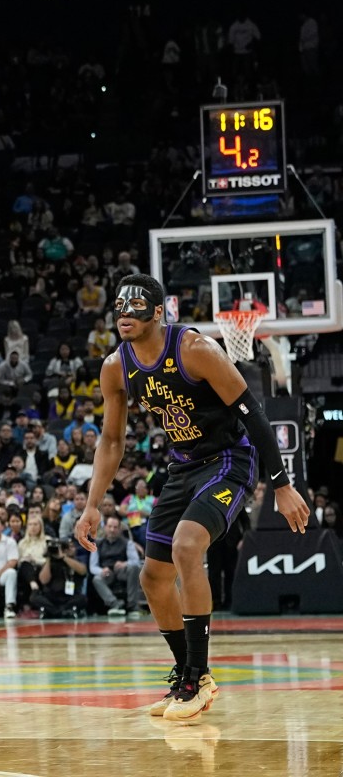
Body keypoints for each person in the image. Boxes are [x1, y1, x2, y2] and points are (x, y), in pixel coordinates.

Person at [75, 274, 310, 722]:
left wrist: (281, 484)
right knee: (152, 577)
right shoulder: (115, 366)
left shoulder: (195, 350)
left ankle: (198, 676)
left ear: (158, 313)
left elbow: (254, 414)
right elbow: (110, 441)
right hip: (183, 466)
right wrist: (91, 504)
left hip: (229, 460)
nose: (125, 315)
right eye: (119, 308)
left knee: (186, 547)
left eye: (135, 307)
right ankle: (188, 676)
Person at [31, 537, 88, 619]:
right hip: (51, 597)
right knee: (34, 597)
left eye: (71, 547)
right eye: (67, 547)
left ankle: (52, 611)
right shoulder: (49, 562)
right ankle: (61, 611)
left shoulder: (76, 560)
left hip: (69, 597)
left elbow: (83, 571)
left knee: (82, 599)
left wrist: (64, 557)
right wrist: (49, 558)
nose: (69, 549)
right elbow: (44, 580)